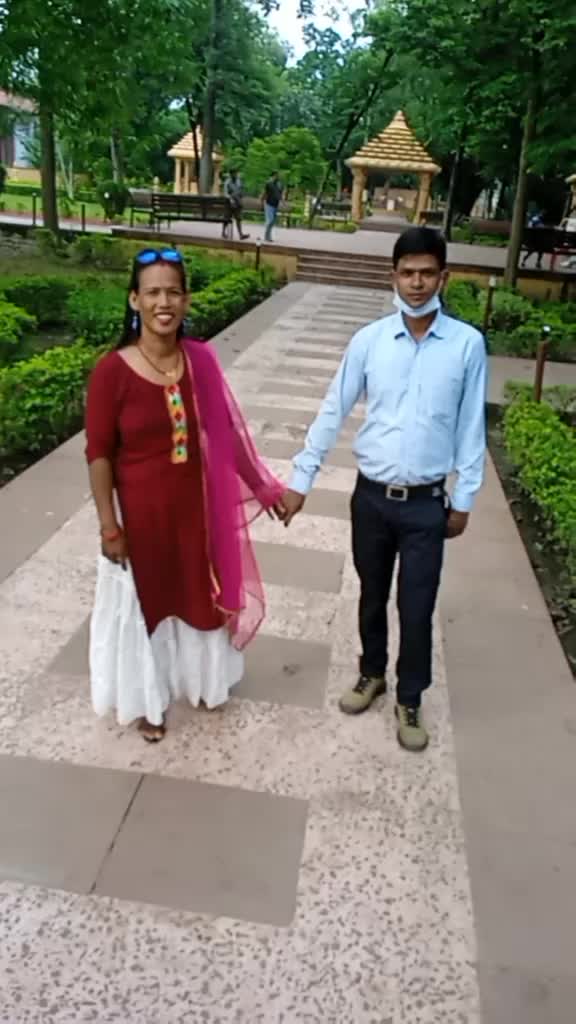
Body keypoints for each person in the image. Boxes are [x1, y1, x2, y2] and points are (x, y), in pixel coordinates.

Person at [281, 227, 487, 753]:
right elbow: (334, 408)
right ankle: (372, 672)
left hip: (426, 505)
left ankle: (410, 696)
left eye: (426, 273)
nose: (416, 283)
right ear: (392, 276)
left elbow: (471, 428)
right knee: (372, 594)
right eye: (407, 273)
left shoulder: (466, 345)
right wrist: (302, 479)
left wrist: (463, 499)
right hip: (371, 498)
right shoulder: (369, 342)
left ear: (444, 277)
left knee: (416, 605)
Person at [85, 248, 285, 742]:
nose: (164, 302)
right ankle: (148, 703)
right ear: (134, 300)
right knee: (147, 607)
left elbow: (225, 434)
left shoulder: (199, 361)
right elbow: (99, 455)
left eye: (173, 292)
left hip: (196, 512)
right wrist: (110, 526)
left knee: (199, 596)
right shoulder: (112, 371)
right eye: (152, 292)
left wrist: (263, 485)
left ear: (187, 300)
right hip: (142, 519)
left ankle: (203, 683)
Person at [223, 169, 249, 241]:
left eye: (236, 174)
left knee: (238, 218)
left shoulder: (238, 181)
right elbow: (225, 193)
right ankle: (223, 232)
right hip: (229, 202)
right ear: (231, 175)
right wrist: (230, 199)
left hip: (237, 202)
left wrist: (241, 196)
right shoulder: (227, 182)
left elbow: (240, 190)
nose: (236, 175)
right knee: (227, 218)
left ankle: (241, 234)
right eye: (234, 174)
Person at [262, 171, 282, 242]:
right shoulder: (268, 183)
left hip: (275, 205)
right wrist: (261, 200)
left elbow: (279, 194)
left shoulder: (279, 184)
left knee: (272, 221)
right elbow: (265, 192)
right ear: (272, 176)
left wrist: (282, 201)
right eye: (276, 175)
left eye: (278, 176)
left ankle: (268, 236)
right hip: (269, 204)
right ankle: (266, 236)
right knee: (270, 220)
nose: (277, 177)